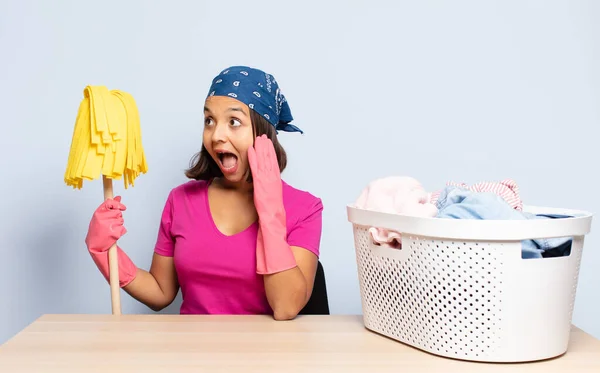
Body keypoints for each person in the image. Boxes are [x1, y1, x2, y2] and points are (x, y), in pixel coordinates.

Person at [84, 66, 324, 320]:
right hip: (191, 354)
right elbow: (160, 292)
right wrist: (104, 252)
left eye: (234, 122)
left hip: (266, 357)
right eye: (209, 120)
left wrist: (270, 210)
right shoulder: (181, 201)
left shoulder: (305, 208)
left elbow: (285, 308)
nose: (216, 135)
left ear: (264, 133)